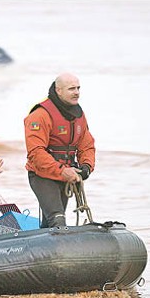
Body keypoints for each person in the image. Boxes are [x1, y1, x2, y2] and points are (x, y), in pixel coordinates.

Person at [24, 73, 96, 228]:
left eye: (78, 88)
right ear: (59, 91)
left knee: (49, 223)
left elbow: (87, 145)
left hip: (66, 176)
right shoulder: (40, 115)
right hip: (42, 175)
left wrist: (86, 167)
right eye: (71, 89)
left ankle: (41, 249)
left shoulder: (79, 115)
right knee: (57, 218)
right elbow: (36, 153)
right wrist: (62, 171)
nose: (77, 92)